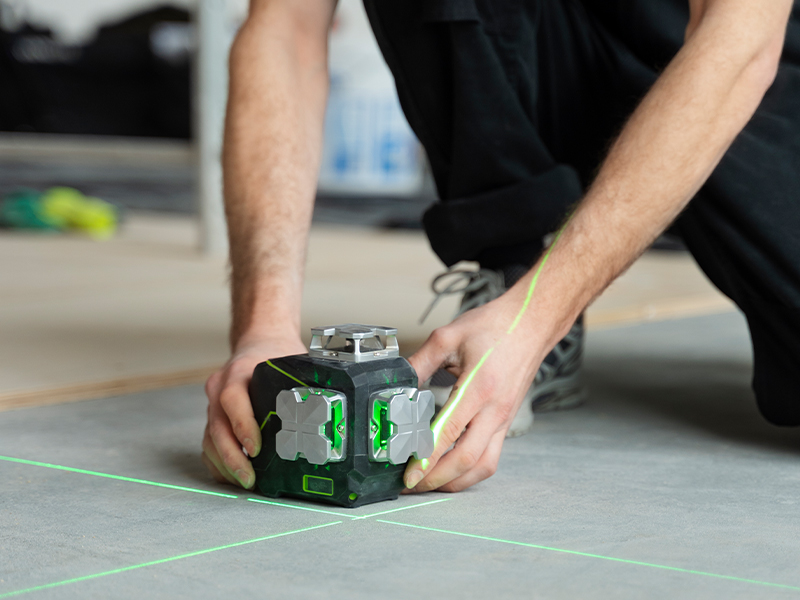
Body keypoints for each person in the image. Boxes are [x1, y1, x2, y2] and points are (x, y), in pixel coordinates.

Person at [202, 0, 799, 495]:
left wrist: (541, 311)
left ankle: (534, 312)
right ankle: (517, 264)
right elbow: (285, 27)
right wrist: (264, 327)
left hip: (750, 64)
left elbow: (741, 40)